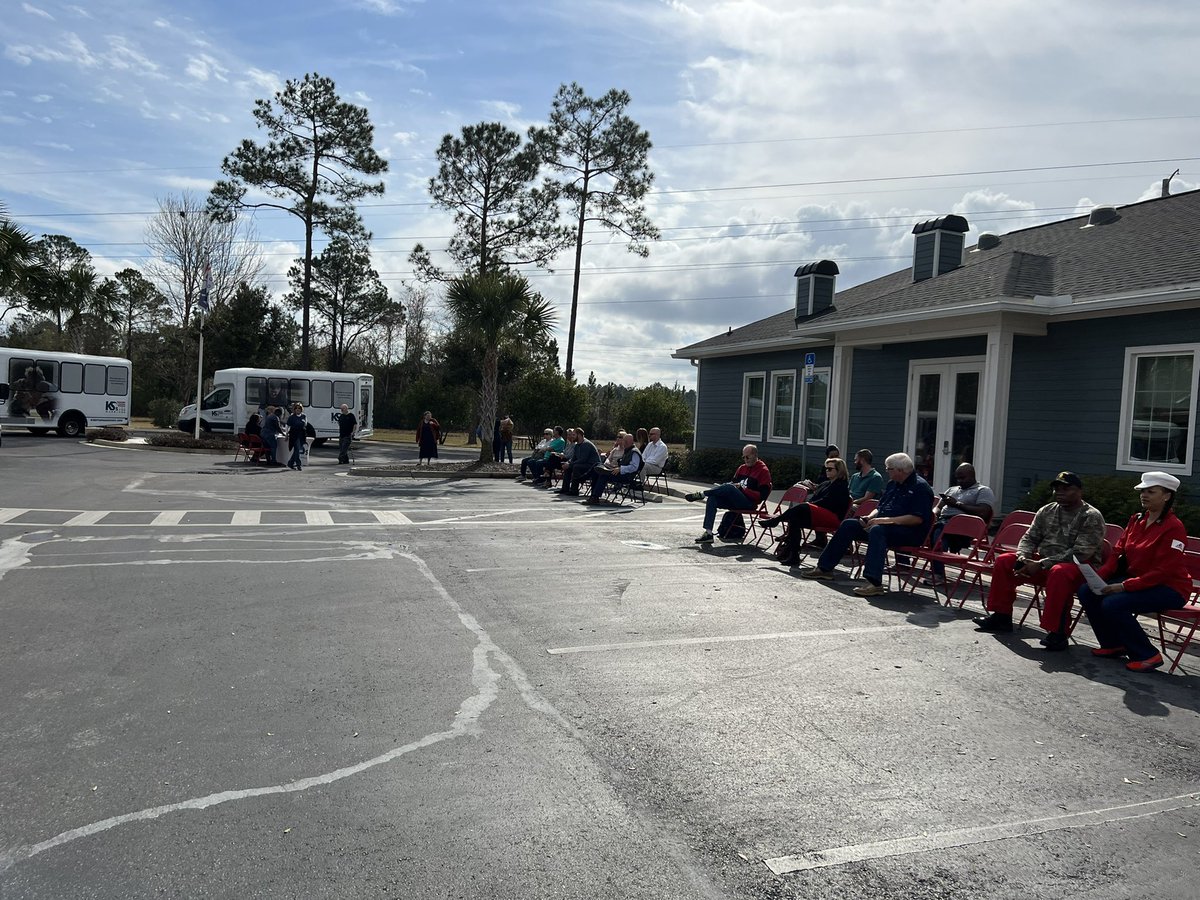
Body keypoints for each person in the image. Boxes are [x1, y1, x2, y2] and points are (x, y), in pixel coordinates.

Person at [974, 471, 1105, 650]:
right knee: (1005, 561)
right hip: (1043, 564)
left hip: (1078, 569)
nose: (1060, 492)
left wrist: (1041, 564)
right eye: (1057, 488)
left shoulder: (1090, 516)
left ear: (1079, 491)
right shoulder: (1047, 510)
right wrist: (1023, 557)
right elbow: (1029, 538)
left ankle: (1058, 632)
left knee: (1060, 572)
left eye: (1066, 488)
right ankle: (1001, 617)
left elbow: (1081, 553)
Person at [1078, 472, 1191, 672]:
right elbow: (1118, 552)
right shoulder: (1136, 519)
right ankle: (1113, 644)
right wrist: (1099, 578)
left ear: (1167, 496)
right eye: (1142, 491)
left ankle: (1147, 654)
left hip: (1170, 588)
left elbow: (1164, 571)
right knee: (1087, 591)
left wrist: (1124, 586)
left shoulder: (1174, 527)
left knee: (1114, 603)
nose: (1144, 495)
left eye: (1151, 492)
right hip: (1139, 581)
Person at [800, 452, 933, 596]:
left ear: (900, 470)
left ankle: (874, 582)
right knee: (849, 525)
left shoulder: (920, 488)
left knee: (877, 530)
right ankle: (824, 568)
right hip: (883, 525)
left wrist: (883, 521)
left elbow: (916, 518)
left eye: (889, 469)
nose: (886, 471)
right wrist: (869, 517)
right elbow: (880, 507)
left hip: (909, 532)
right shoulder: (893, 484)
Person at [762, 458, 852, 566]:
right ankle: (793, 555)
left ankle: (776, 520)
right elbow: (815, 499)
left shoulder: (841, 486)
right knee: (795, 520)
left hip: (833, 517)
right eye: (826, 468)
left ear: (839, 470)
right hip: (819, 514)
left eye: (830, 469)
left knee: (803, 506)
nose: (826, 471)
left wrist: (810, 505)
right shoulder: (825, 484)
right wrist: (811, 504)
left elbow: (828, 502)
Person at [685, 445, 773, 544]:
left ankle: (703, 494)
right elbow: (733, 484)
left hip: (749, 503)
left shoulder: (763, 471)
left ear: (755, 455)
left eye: (747, 457)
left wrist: (743, 489)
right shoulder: (742, 468)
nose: (745, 459)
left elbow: (761, 496)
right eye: (743, 457)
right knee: (713, 498)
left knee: (729, 487)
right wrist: (727, 487)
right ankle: (708, 533)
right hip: (735, 500)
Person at [925, 463, 995, 585]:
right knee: (931, 529)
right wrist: (934, 514)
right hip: (943, 522)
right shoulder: (951, 490)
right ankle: (933, 569)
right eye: (957, 478)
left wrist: (957, 504)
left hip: (965, 526)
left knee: (939, 532)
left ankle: (937, 573)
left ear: (972, 476)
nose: (959, 481)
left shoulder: (983, 491)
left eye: (962, 478)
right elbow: (938, 507)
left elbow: (984, 512)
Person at [585, 432, 643, 505]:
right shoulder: (628, 450)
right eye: (624, 441)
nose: (624, 443)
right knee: (598, 471)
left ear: (631, 442)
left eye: (626, 441)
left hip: (627, 476)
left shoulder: (634, 452)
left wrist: (620, 469)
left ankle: (595, 497)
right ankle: (593, 495)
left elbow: (634, 467)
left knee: (604, 475)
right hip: (620, 472)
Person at [557, 428, 600, 496]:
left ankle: (574, 490)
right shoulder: (577, 445)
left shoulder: (586, 444)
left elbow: (583, 459)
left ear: (579, 435)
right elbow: (574, 458)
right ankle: (565, 488)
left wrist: (570, 464)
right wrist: (568, 463)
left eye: (574, 435)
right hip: (584, 464)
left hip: (592, 466)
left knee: (576, 467)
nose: (572, 437)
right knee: (568, 467)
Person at [286, 403, 308, 470]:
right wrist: (286, 434)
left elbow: (305, 424)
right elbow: (287, 426)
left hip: (301, 435)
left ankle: (290, 463)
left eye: (299, 408)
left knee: (296, 450)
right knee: (297, 449)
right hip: (294, 435)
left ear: (301, 409)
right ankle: (298, 464)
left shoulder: (304, 416)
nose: (298, 410)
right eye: (296, 408)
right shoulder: (292, 417)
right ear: (294, 409)